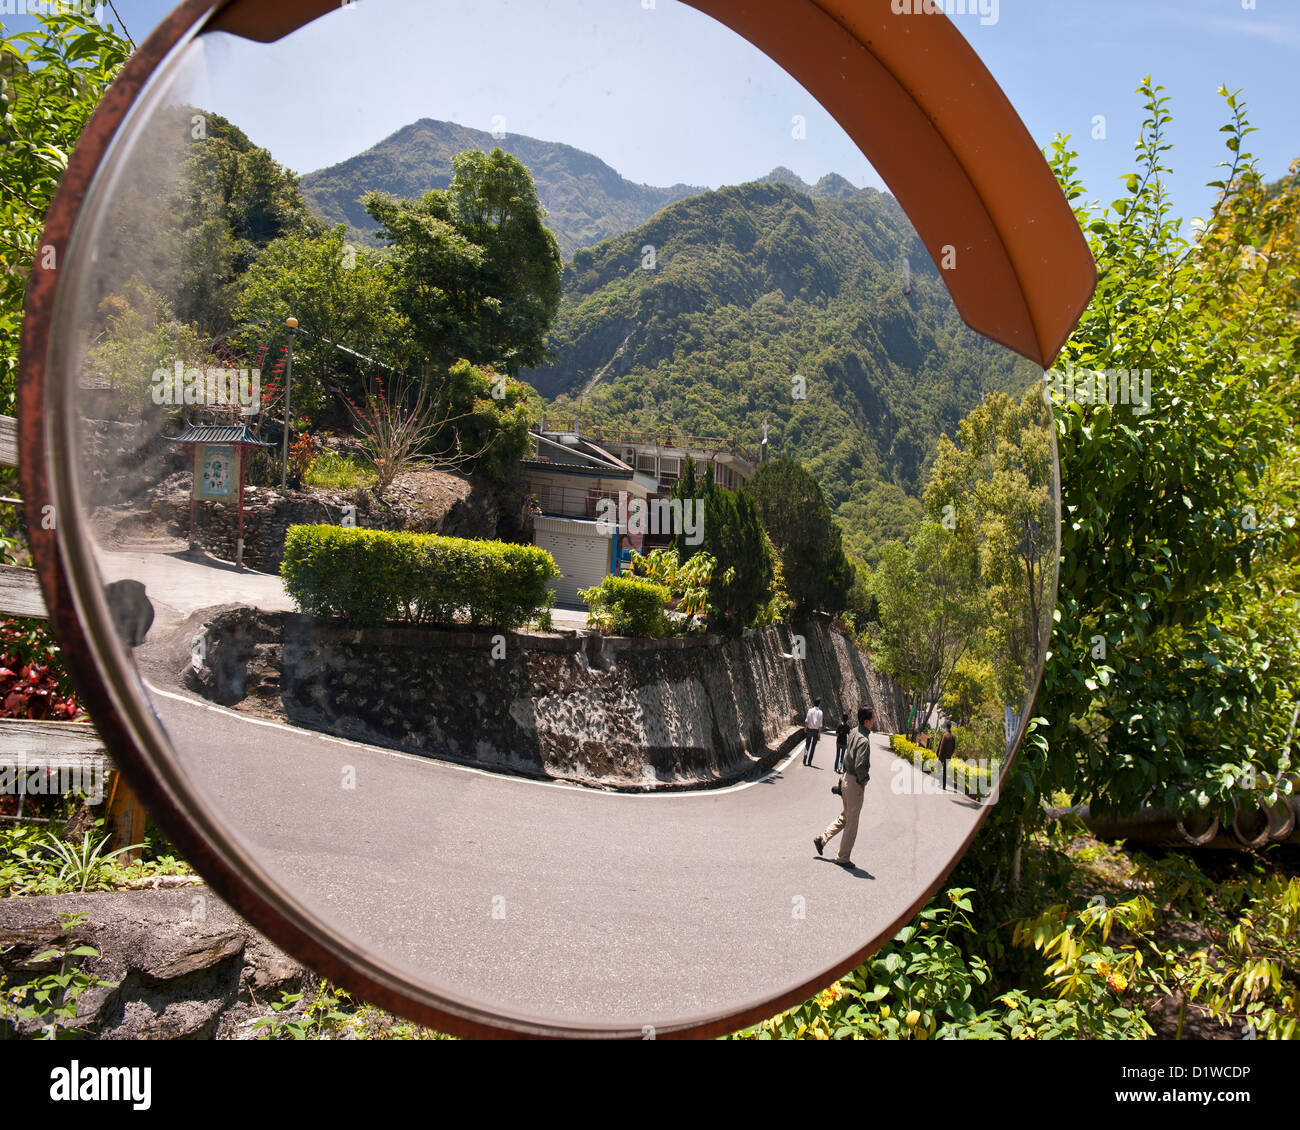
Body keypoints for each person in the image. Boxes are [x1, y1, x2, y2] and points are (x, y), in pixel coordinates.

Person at [814, 706, 874, 868]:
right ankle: (843, 857)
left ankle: (822, 839)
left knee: (845, 816)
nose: (874, 722)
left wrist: (843, 777)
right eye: (873, 719)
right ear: (867, 721)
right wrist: (864, 781)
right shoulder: (864, 740)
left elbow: (847, 755)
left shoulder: (854, 731)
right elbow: (861, 765)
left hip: (846, 777)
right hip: (855, 782)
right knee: (852, 823)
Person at [802, 698, 824, 766]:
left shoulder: (810, 710)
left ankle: (805, 754)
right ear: (819, 704)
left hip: (809, 729)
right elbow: (820, 725)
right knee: (813, 746)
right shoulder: (820, 712)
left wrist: (805, 728)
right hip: (816, 731)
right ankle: (809, 761)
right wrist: (819, 733)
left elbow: (806, 721)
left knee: (807, 744)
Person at [936, 721, 957, 790]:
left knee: (940, 769)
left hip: (943, 755)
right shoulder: (953, 736)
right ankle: (944, 785)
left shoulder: (945, 735)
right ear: (950, 726)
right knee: (945, 770)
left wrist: (939, 755)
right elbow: (954, 747)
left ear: (946, 727)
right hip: (948, 756)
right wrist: (950, 754)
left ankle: (941, 782)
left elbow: (941, 746)